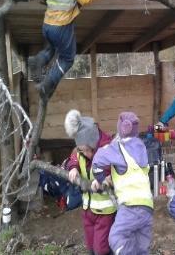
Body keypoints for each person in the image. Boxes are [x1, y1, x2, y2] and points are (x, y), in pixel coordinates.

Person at [28, 0, 108, 100]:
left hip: (48, 25)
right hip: (61, 26)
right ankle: (46, 85)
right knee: (67, 58)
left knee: (51, 49)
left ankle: (37, 61)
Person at [92, 111, 153, 255]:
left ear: (121, 127)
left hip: (130, 206)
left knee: (116, 238)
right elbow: (128, 171)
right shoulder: (140, 146)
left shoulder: (118, 148)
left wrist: (101, 178)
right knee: (140, 246)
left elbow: (97, 161)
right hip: (147, 207)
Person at [65, 109, 116, 255]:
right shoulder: (81, 151)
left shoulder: (107, 151)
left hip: (105, 210)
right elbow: (74, 156)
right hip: (88, 208)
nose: (85, 153)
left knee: (102, 247)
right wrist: (73, 168)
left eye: (87, 150)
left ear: (94, 143)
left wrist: (104, 181)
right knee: (91, 244)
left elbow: (115, 173)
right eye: (82, 150)